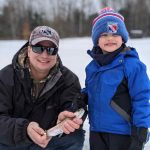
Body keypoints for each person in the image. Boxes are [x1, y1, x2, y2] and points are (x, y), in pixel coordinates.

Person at [0, 26, 86, 150]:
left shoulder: (69, 80)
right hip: (15, 141)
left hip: (49, 140)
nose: (45, 55)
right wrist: (24, 129)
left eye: (51, 50)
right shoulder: (5, 77)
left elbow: (75, 107)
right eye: (38, 48)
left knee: (74, 136)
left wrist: (67, 117)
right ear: (28, 50)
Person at [82, 7, 150, 150]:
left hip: (123, 133)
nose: (110, 38)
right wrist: (80, 98)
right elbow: (90, 91)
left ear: (123, 38)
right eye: (104, 34)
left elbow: (142, 98)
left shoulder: (133, 66)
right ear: (96, 40)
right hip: (97, 131)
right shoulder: (92, 67)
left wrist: (141, 127)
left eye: (115, 34)